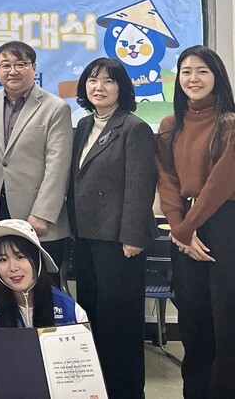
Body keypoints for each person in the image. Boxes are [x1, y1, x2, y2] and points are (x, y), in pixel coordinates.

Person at [67, 57, 156, 399]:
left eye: (108, 81)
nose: (99, 87)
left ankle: (127, 391)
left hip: (119, 240)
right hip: (86, 236)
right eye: (92, 80)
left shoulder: (134, 128)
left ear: (122, 87)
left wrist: (132, 236)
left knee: (120, 322)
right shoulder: (83, 126)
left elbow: (140, 186)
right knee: (92, 316)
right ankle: (98, 387)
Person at [155, 44, 235, 399]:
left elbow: (221, 183)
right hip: (185, 227)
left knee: (227, 320)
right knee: (193, 319)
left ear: (217, 76)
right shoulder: (171, 125)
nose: (193, 78)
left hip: (225, 224)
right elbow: (167, 179)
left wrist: (187, 228)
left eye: (202, 71)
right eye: (186, 71)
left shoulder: (229, 123)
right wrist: (179, 228)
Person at [0, 40, 73, 273]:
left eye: (20, 64)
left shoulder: (55, 108)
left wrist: (42, 214)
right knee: (0, 281)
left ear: (34, 67)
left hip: (37, 217)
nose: (13, 71)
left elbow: (58, 166)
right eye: (5, 65)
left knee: (41, 285)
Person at [0, 219, 88, 399]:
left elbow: (81, 374)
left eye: (20, 256)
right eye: (3, 259)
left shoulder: (71, 310)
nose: (13, 267)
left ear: (37, 259)